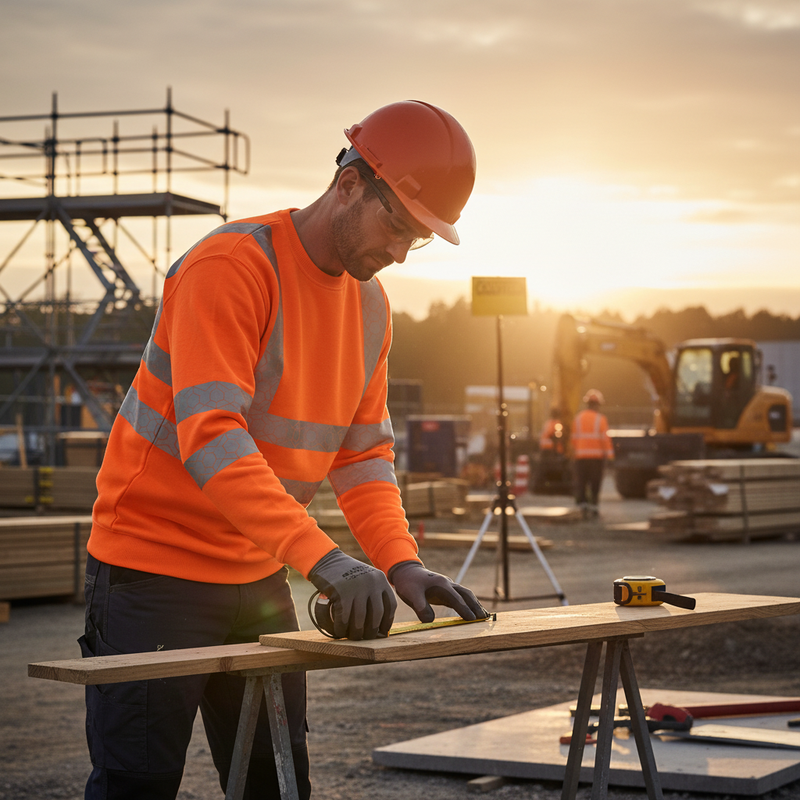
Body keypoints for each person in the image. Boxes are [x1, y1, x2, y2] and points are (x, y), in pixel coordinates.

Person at [80, 100, 485, 800]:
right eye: (398, 225)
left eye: (416, 239)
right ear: (349, 184)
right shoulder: (233, 266)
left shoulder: (370, 308)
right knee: (136, 786)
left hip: (257, 578)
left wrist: (401, 561)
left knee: (278, 779)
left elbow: (362, 459)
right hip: (154, 574)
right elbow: (213, 440)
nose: (397, 252)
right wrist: (325, 559)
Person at [571, 389, 614, 519]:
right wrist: (610, 456)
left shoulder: (578, 418)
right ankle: (594, 507)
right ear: (597, 405)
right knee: (595, 483)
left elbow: (573, 439)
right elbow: (605, 439)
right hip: (596, 458)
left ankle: (583, 507)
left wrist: (573, 453)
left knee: (582, 482)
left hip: (580, 457)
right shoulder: (600, 419)